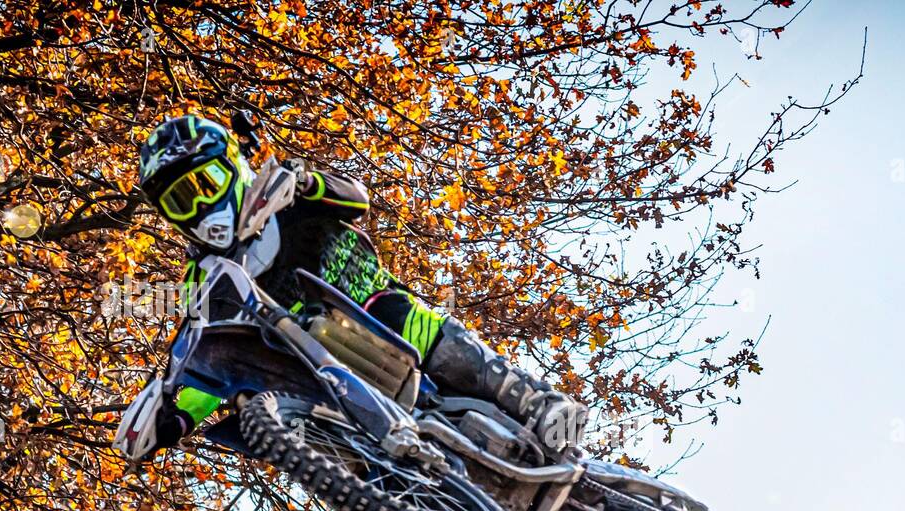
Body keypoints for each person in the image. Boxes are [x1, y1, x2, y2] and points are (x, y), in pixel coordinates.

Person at [115, 114, 586, 460]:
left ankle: (540, 404)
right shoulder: (203, 281)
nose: (199, 203)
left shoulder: (279, 194)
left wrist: (304, 183)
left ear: (233, 168)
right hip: (312, 374)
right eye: (181, 199)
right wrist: (173, 418)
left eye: (206, 182)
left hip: (365, 305)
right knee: (313, 441)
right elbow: (208, 358)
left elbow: (355, 198)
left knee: (410, 320)